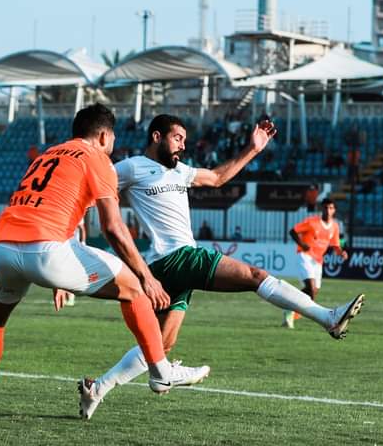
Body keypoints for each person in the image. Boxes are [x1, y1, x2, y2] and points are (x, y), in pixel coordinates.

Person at [72, 114, 365, 420]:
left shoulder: (181, 171)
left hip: (173, 267)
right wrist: (72, 228)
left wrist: (253, 149)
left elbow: (216, 178)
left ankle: (98, 388)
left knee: (161, 345)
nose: (182, 145)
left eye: (185, 140)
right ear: (157, 136)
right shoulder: (131, 167)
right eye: (177, 138)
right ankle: (328, 317)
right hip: (173, 258)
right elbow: (93, 190)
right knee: (255, 276)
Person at [0, 104, 210, 427]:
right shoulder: (99, 160)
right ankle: (161, 373)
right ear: (104, 135)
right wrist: (146, 276)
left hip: (4, 247)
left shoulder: (47, 155)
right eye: (113, 137)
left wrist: (62, 277)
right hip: (47, 250)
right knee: (134, 290)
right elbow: (113, 228)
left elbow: (63, 215)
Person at [284, 198, 349, 329]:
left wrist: (341, 252)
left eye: (331, 208)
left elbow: (335, 245)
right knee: (311, 288)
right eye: (325, 207)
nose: (328, 210)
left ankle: (291, 311)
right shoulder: (312, 222)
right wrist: (302, 244)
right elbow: (293, 231)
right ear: (321, 209)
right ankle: (292, 311)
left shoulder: (335, 226)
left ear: (334, 210)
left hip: (318, 261)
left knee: (312, 294)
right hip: (305, 256)